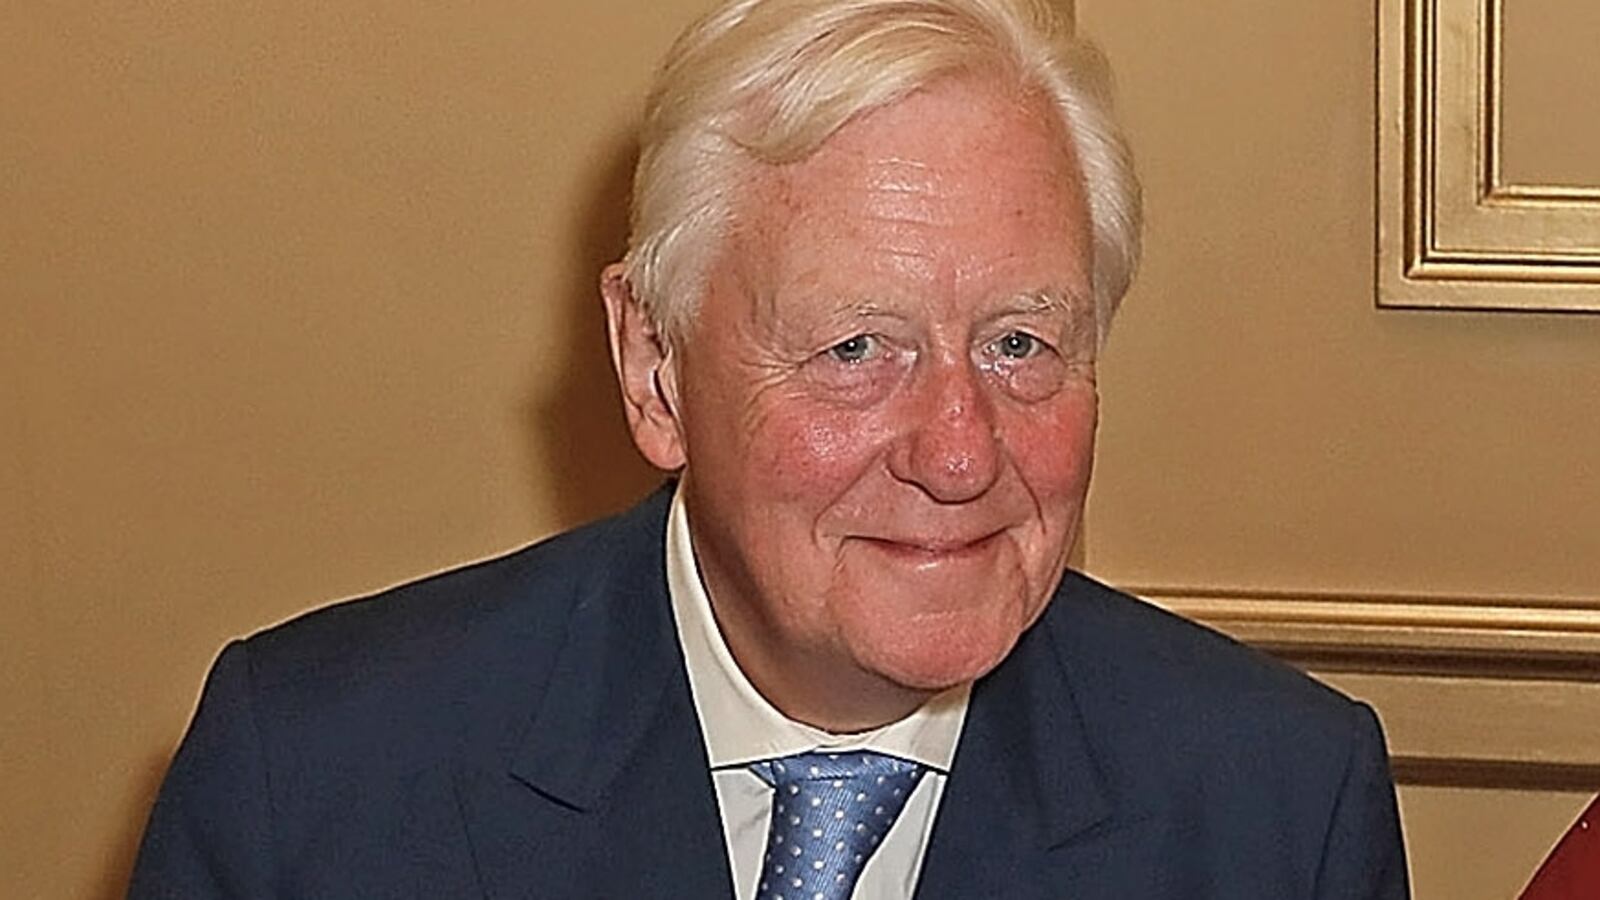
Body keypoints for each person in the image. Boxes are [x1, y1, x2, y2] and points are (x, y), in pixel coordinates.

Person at [129, 0, 1410, 897]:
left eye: (1020, 343)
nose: (959, 454)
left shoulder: (1275, 809)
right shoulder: (315, 776)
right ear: (654, 367)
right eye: (858, 348)